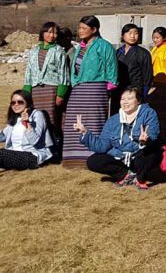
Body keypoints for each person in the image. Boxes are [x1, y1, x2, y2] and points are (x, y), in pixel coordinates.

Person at [62, 16, 118, 169]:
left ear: (94, 29)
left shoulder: (104, 46)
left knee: (94, 120)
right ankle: (73, 158)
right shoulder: (80, 47)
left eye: (84, 28)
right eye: (79, 28)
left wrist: (108, 88)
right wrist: (74, 83)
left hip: (96, 89)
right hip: (78, 88)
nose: (80, 31)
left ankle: (93, 157)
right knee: (73, 121)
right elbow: (74, 68)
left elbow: (111, 68)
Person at [80, 86, 161, 190]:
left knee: (149, 153)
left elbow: (153, 135)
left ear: (138, 101)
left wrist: (145, 141)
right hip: (120, 158)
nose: (125, 102)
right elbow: (103, 146)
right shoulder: (113, 120)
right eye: (123, 99)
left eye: (130, 98)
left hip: (139, 156)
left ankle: (140, 179)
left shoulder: (149, 113)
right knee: (93, 161)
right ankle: (125, 175)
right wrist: (85, 133)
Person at [22, 21, 69, 131]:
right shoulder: (33, 51)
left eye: (55, 33)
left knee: (50, 119)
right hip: (35, 91)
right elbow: (28, 73)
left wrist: (60, 94)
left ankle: (52, 144)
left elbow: (64, 73)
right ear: (42, 33)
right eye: (49, 32)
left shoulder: (59, 51)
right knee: (34, 117)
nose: (52, 35)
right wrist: (26, 94)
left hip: (51, 90)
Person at [113, 24, 153, 115]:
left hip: (136, 90)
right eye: (129, 33)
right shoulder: (118, 53)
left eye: (136, 33)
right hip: (119, 90)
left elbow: (147, 75)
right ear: (122, 35)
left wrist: (143, 93)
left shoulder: (144, 53)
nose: (133, 36)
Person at [147, 27, 166, 138]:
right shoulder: (154, 49)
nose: (155, 40)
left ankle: (161, 136)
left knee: (161, 112)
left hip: (163, 83)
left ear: (164, 37)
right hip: (153, 84)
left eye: (157, 37)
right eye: (154, 38)